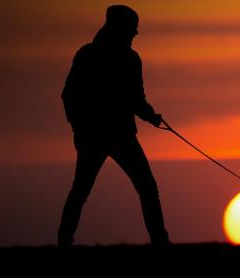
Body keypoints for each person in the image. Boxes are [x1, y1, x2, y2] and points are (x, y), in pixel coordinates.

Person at [58, 5, 170, 247]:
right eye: (133, 27)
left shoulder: (125, 58)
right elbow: (70, 95)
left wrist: (151, 116)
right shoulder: (92, 55)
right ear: (120, 27)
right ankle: (160, 243)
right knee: (85, 191)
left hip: (114, 135)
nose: (136, 33)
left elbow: (135, 100)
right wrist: (79, 127)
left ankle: (160, 242)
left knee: (143, 189)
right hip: (108, 136)